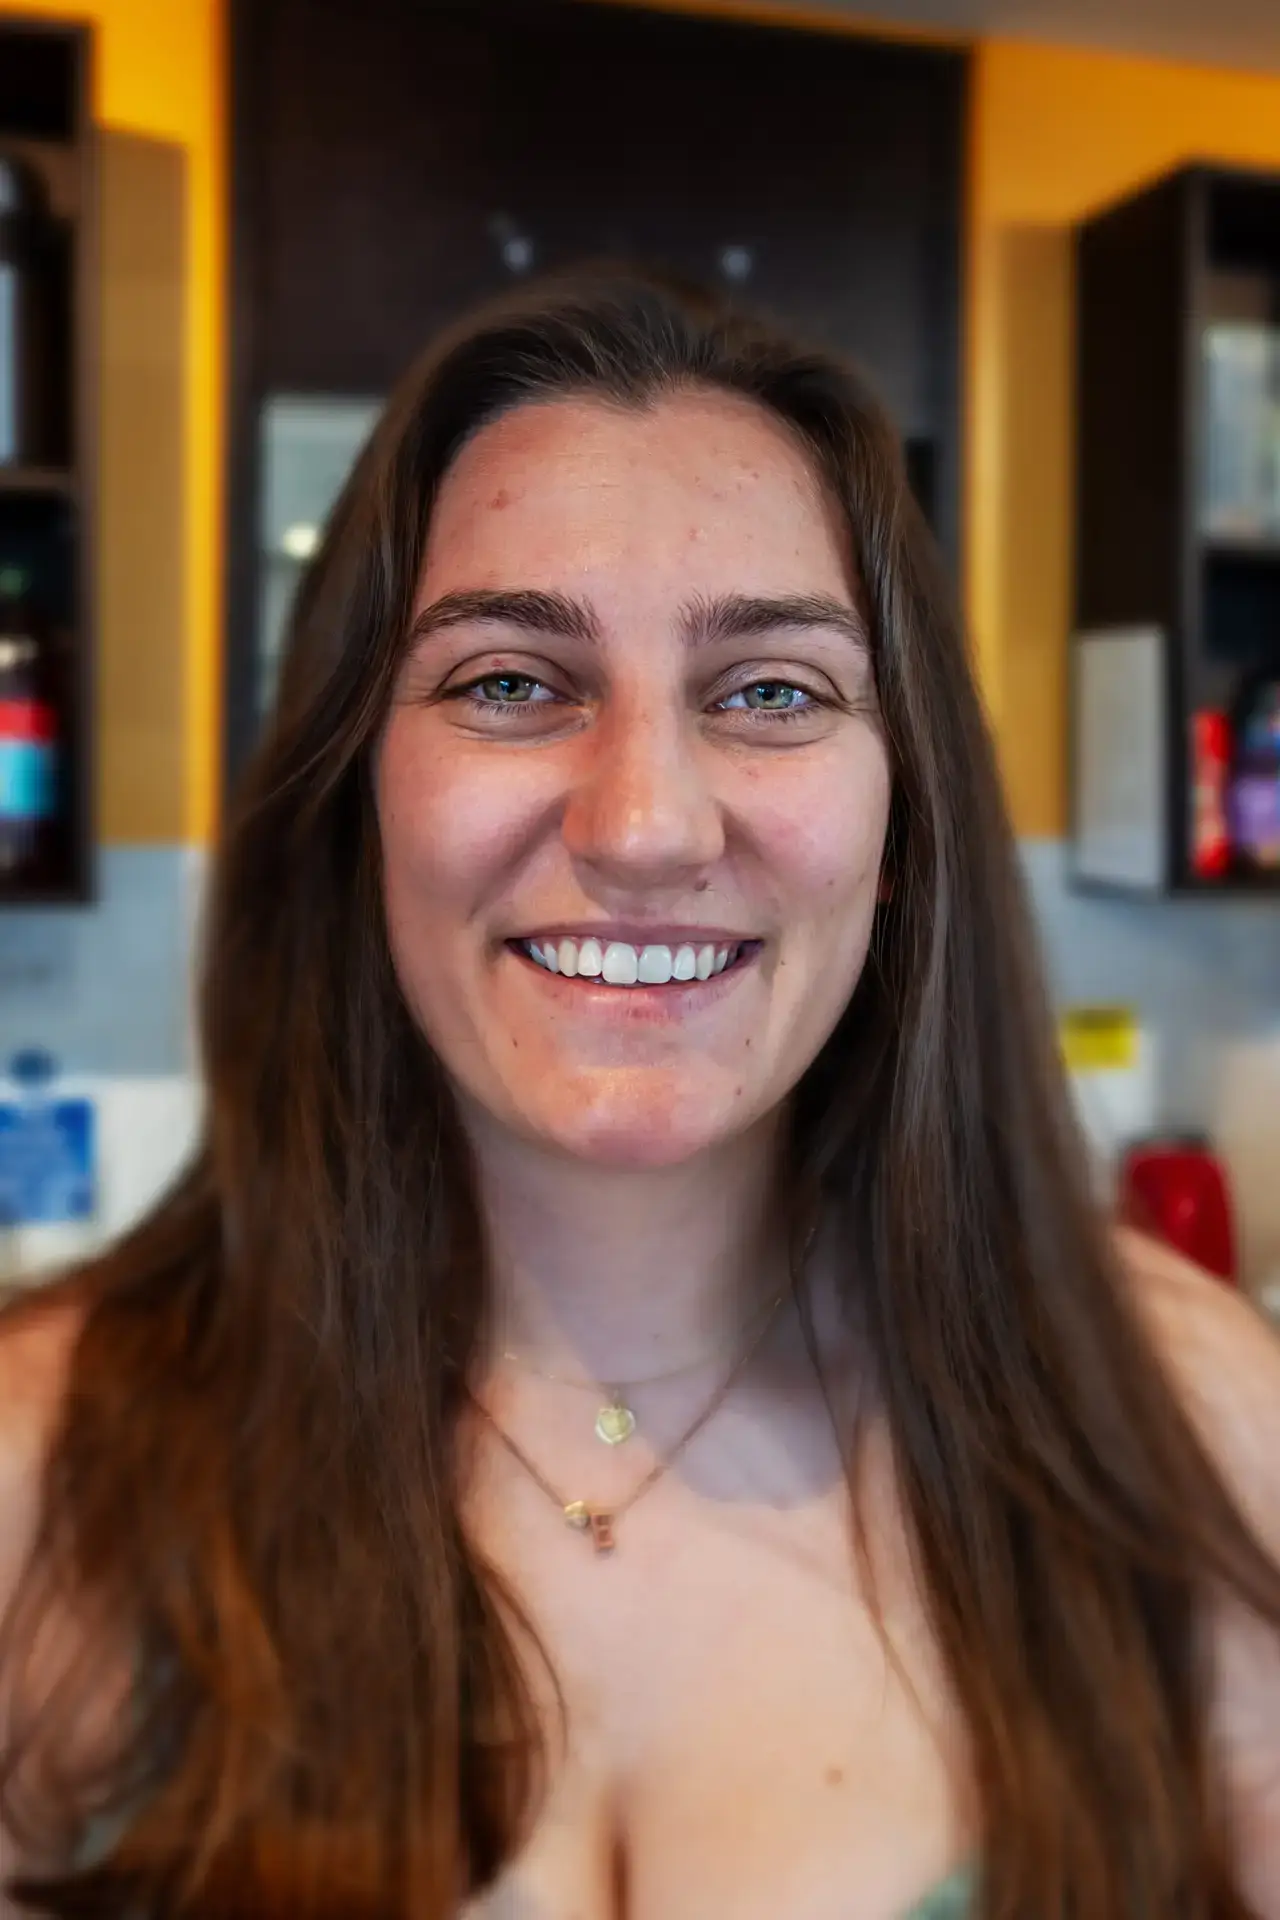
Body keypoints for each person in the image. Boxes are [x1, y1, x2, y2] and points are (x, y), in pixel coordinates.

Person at [1, 268, 1278, 1920]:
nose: (648, 827)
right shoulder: (40, 1473)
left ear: (903, 823)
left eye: (772, 692)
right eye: (510, 682)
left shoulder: (1183, 1424)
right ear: (357, 795)